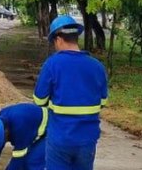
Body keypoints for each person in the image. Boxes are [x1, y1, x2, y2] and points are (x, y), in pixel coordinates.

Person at [33, 15, 108, 170]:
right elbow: (102, 102)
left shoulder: (52, 64)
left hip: (60, 139)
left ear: (59, 39)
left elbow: (39, 100)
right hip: (87, 139)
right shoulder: (97, 66)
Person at [0, 103, 48, 170]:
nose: (5, 141)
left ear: (6, 132)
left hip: (50, 130)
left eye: (4, 139)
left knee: (32, 162)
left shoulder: (20, 127)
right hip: (33, 128)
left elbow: (18, 160)